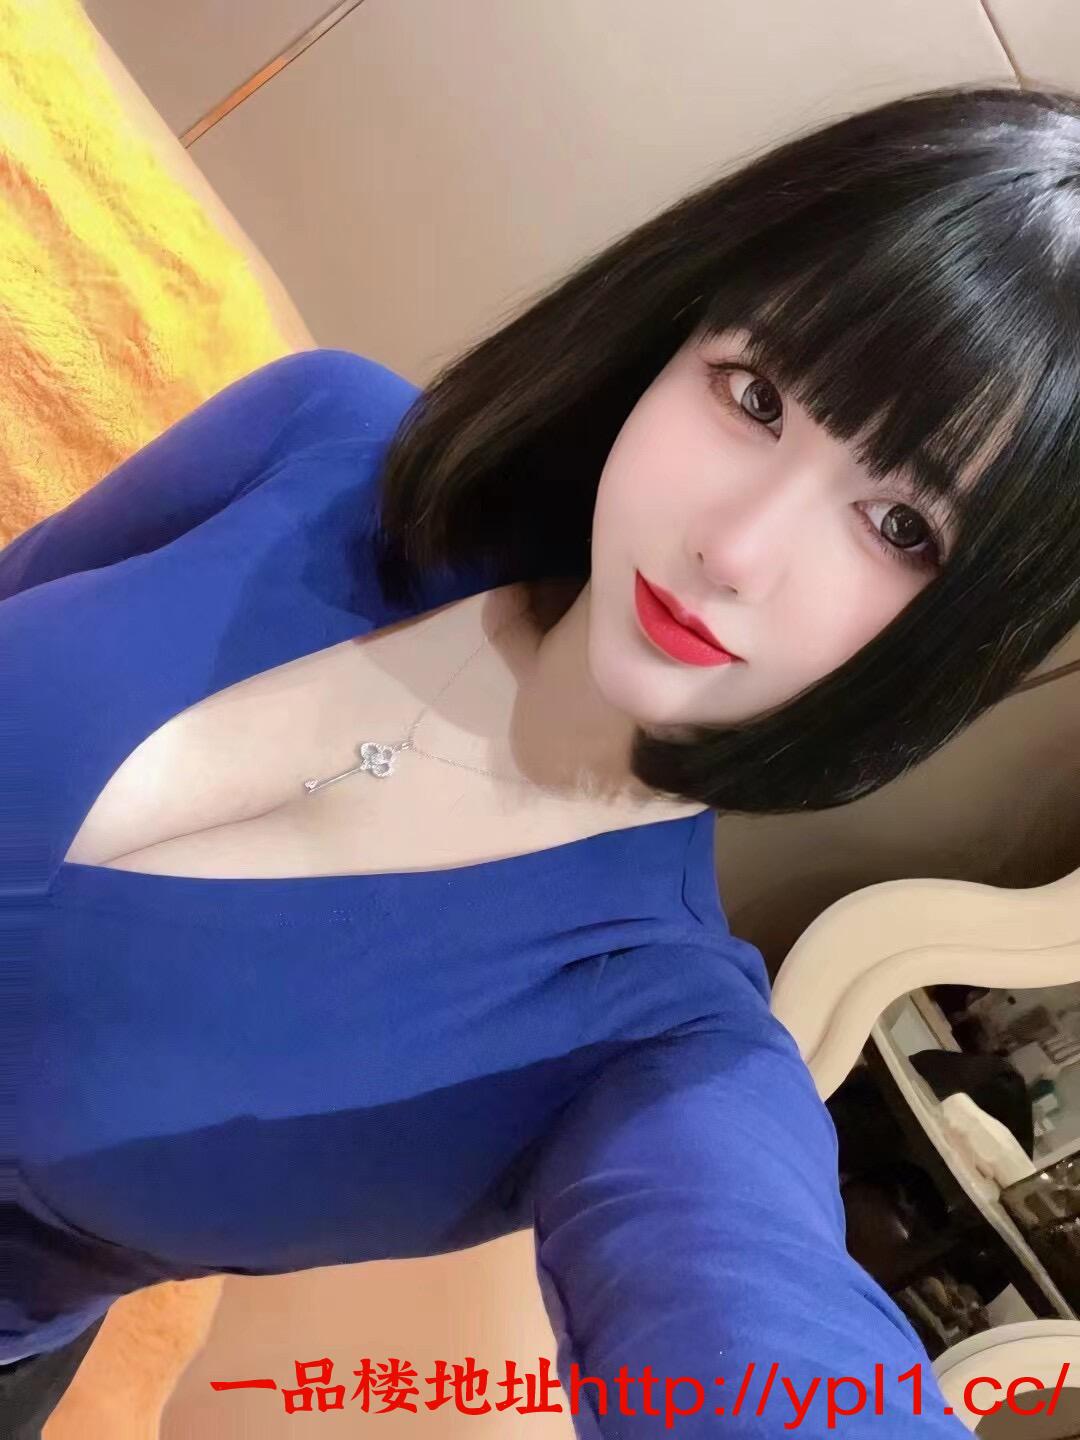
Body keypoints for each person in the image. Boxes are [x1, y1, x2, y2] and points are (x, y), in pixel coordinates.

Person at [4, 80, 1080, 1437]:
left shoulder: (651, 1040)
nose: (734, 548)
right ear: (672, 330)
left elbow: (748, 1315)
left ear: (964, 630)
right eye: (756, 394)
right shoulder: (321, 441)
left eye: (901, 527)